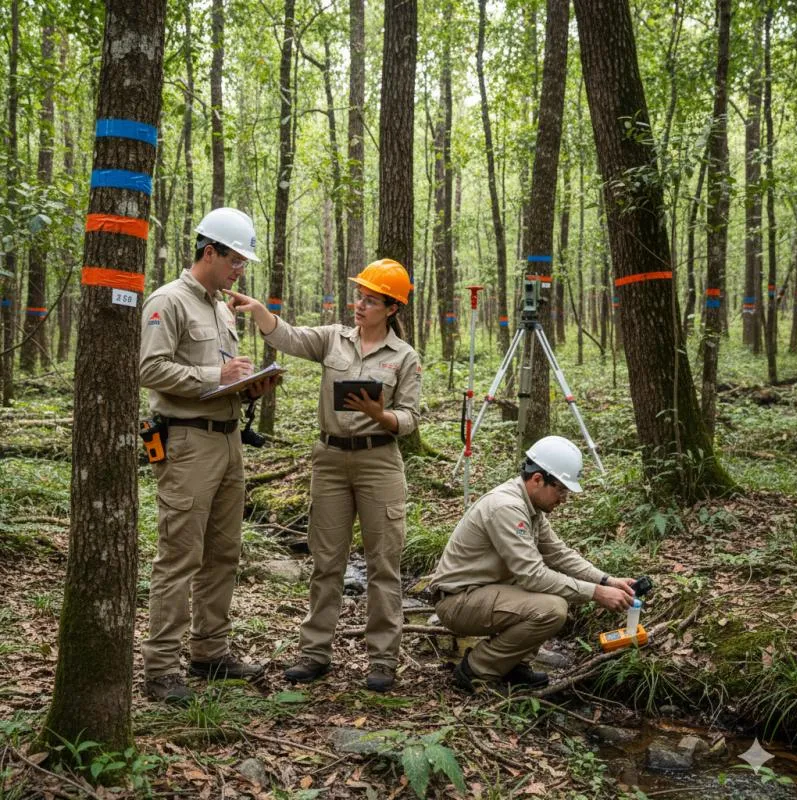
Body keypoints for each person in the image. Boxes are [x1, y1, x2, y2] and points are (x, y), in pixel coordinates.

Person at [224, 259, 421, 692]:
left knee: (383, 564)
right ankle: (314, 653)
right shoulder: (334, 338)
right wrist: (259, 311)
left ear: (392, 308)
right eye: (359, 297)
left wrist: (380, 415)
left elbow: (410, 418)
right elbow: (290, 337)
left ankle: (382, 660)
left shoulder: (404, 356)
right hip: (329, 460)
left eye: (371, 301)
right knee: (326, 561)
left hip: (379, 462)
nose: (360, 305)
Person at [139, 207, 278, 704]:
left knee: (223, 552)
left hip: (228, 438)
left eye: (243, 261)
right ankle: (161, 667)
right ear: (209, 252)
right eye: (234, 259)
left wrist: (247, 386)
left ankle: (209, 652)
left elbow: (223, 375)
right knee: (180, 555)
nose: (239, 269)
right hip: (187, 443)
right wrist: (214, 377)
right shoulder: (168, 301)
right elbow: (150, 368)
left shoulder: (222, 308)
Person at [429, 435, 635, 693]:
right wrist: (596, 593)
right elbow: (533, 576)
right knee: (552, 608)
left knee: (554, 595)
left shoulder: (530, 506)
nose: (563, 499)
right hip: (458, 601)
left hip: (483, 591)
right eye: (561, 490)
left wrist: (606, 580)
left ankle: (513, 665)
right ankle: (477, 669)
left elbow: (558, 553)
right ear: (538, 479)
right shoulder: (507, 507)